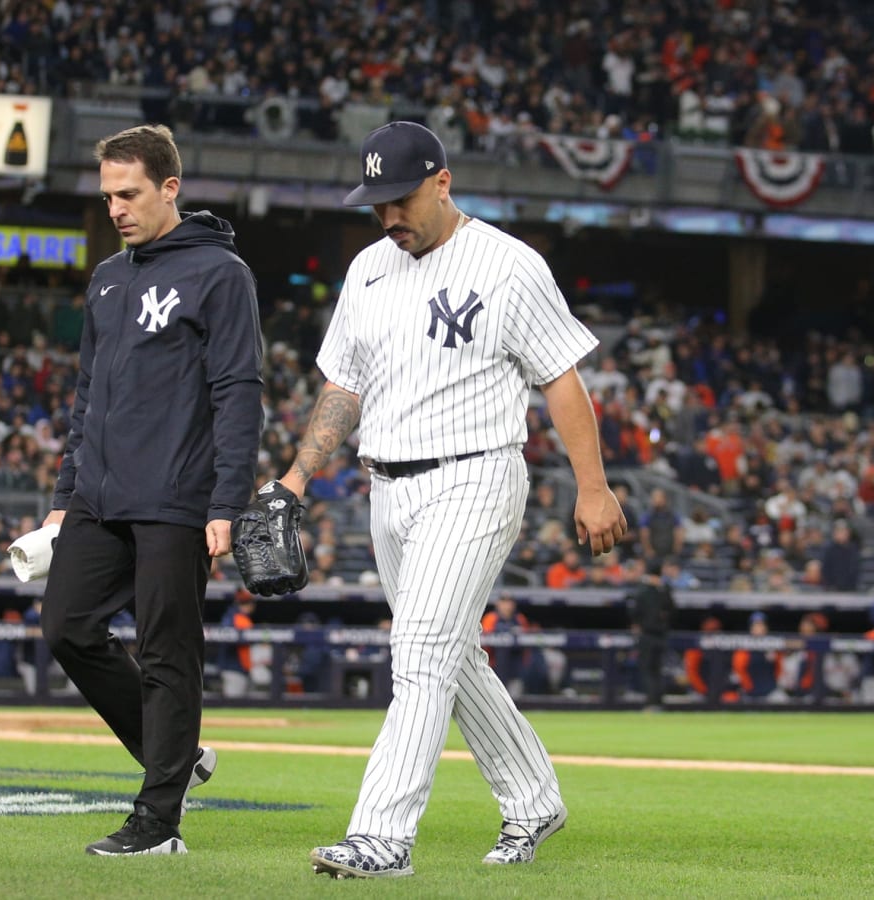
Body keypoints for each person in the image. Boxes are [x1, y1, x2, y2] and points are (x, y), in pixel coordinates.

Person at [271, 121, 626, 878]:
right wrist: (298, 476)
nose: (389, 217)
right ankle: (533, 800)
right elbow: (344, 385)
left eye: (400, 199)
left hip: (475, 475)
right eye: (376, 205)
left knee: (421, 651)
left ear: (442, 182)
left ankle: (381, 837)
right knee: (451, 656)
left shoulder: (507, 264)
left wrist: (592, 487)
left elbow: (561, 375)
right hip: (388, 489)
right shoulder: (368, 267)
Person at [38, 124, 263, 858]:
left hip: (176, 497)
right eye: (107, 196)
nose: (116, 209)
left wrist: (228, 501)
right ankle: (178, 752)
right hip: (98, 497)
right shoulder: (107, 276)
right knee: (67, 628)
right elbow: (86, 396)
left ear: (169, 187)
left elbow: (238, 391)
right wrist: (66, 490)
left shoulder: (220, 274)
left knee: (169, 655)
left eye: (129, 193)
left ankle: (158, 823)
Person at [624, 558, 676, 710]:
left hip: (647, 634)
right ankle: (658, 702)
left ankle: (652, 703)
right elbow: (673, 610)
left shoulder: (643, 589)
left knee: (648, 669)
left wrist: (637, 622)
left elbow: (634, 611)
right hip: (662, 634)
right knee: (658, 669)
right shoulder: (665, 589)